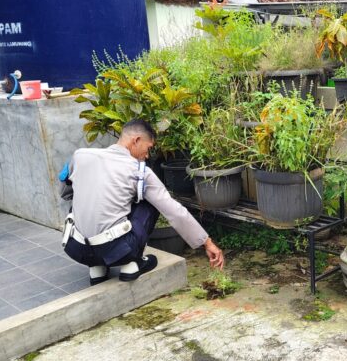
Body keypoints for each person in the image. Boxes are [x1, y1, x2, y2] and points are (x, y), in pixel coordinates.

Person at [61, 119, 224, 285]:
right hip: (118, 251)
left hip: (76, 249)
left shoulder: (80, 156)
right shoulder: (139, 172)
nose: (147, 156)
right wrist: (207, 242)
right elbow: (173, 210)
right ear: (136, 140)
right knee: (151, 202)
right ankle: (131, 264)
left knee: (82, 196)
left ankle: (97, 268)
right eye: (148, 148)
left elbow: (66, 193)